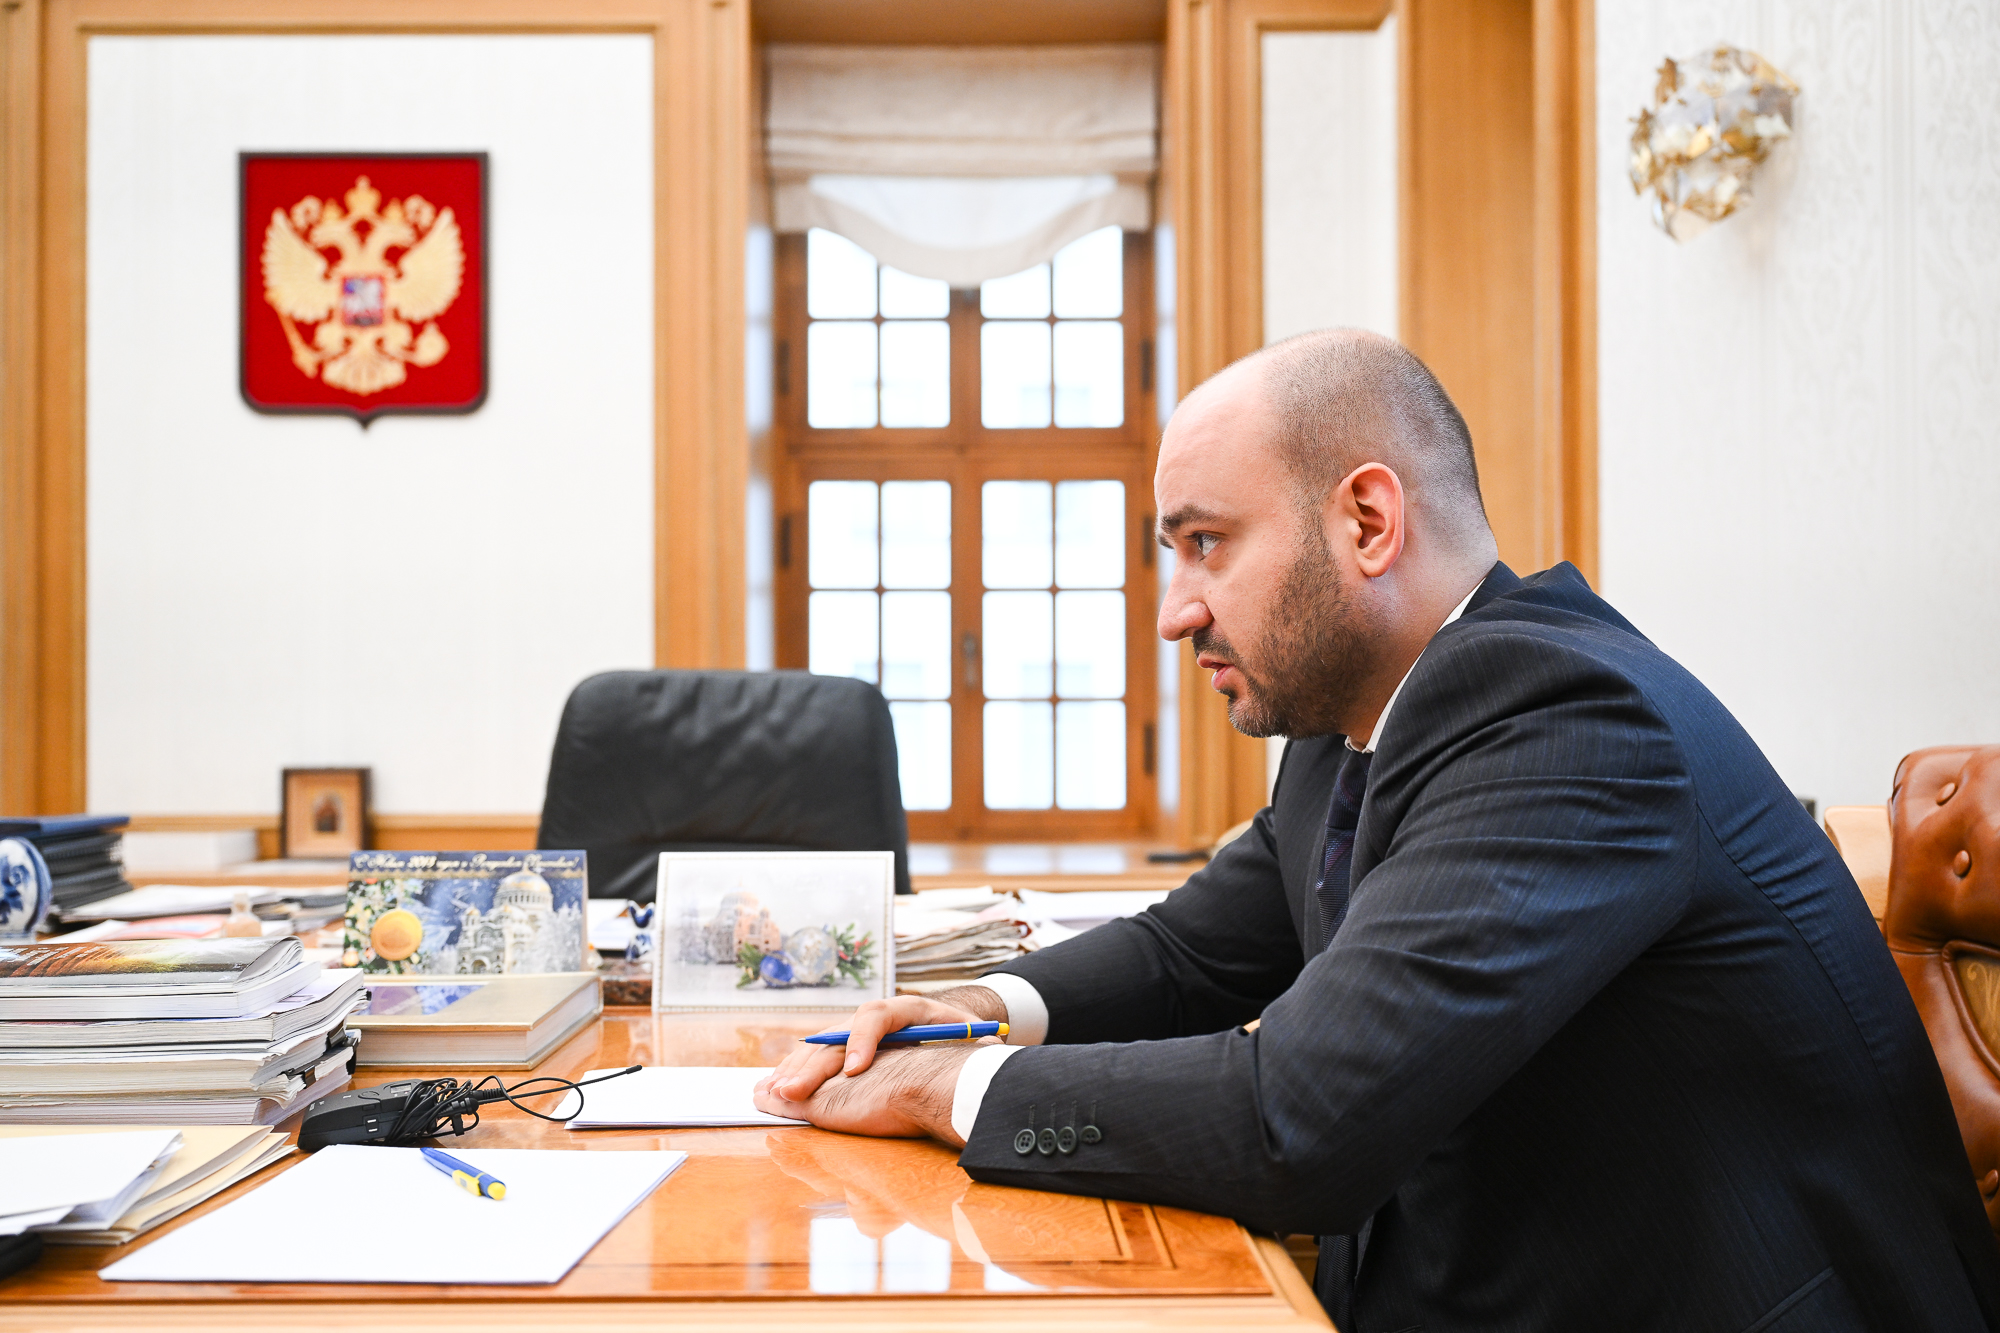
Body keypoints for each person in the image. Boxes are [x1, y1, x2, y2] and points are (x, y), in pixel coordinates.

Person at [755, 330, 2000, 1331]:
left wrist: (951, 1088)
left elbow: (1292, 1121)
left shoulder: (1567, 718)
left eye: (1204, 544)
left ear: (1365, 521)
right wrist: (974, 1008)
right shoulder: (1354, 719)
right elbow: (1191, 952)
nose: (1174, 612)